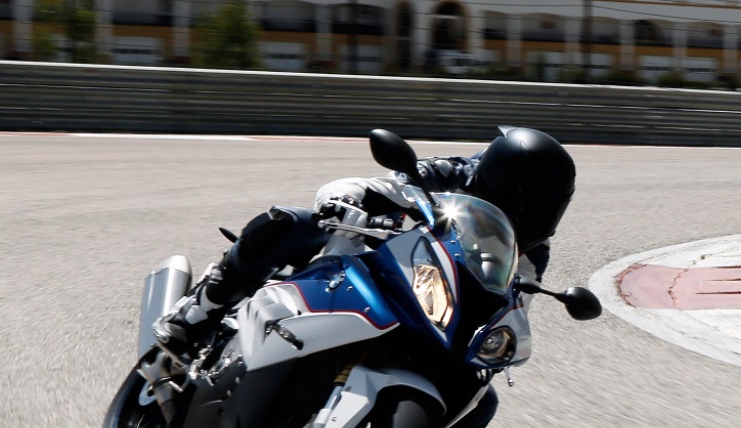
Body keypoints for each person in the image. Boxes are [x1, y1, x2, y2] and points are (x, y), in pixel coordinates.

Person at [152, 126, 578, 368]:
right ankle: (200, 311)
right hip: (372, 258)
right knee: (291, 223)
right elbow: (379, 185)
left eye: (550, 207)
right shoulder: (455, 174)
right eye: (533, 204)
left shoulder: (533, 250)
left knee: (479, 405)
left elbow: (512, 304)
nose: (539, 217)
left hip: (430, 302)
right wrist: (345, 201)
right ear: (504, 183)